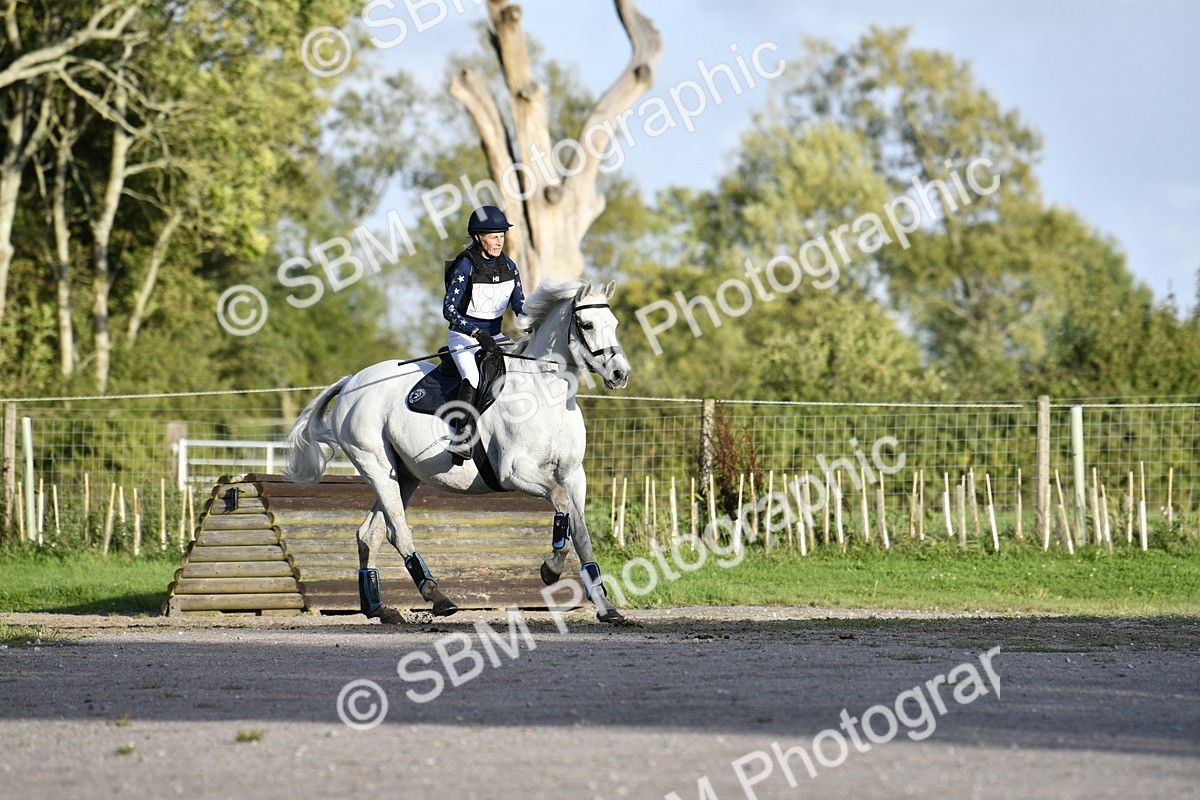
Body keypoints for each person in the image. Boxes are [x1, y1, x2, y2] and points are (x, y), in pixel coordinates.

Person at [442, 205, 526, 458]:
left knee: (522, 370)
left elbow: (519, 305)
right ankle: (462, 436)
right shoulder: (465, 265)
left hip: (496, 337)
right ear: (478, 237)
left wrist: (534, 323)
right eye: (493, 237)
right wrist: (477, 333)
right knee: (472, 377)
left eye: (501, 236)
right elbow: (449, 310)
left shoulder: (509, 265)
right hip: (464, 336)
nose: (498, 242)